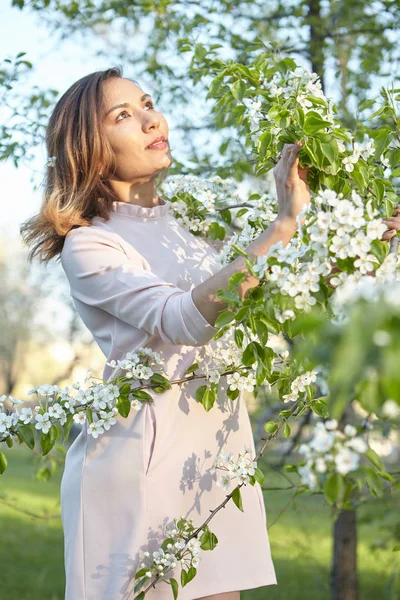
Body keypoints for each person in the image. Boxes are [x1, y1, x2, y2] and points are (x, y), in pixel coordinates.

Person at [18, 66, 398, 600]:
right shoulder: (91, 246)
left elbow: (266, 298)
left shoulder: (194, 226)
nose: (151, 118)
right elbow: (182, 318)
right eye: (124, 115)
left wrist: (366, 242)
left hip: (216, 458)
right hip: (140, 469)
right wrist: (280, 227)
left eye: (148, 103)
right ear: (89, 146)